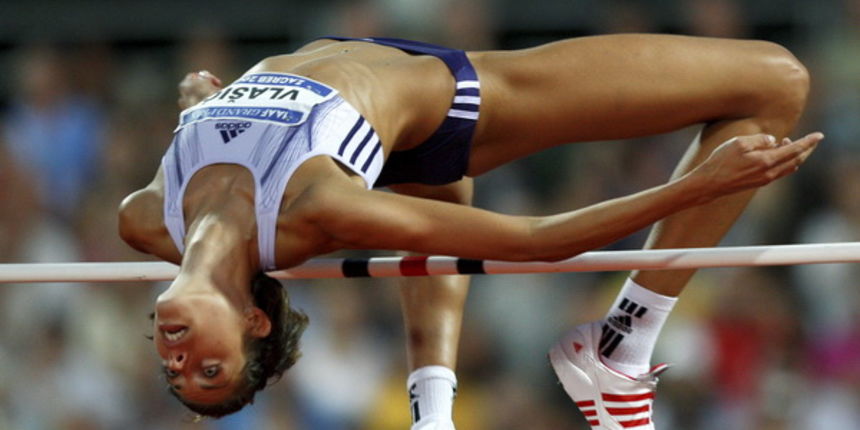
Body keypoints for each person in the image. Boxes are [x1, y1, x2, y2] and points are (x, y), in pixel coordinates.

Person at [118, 35, 820, 429]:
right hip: (449, 100)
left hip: (373, 76)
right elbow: (535, 241)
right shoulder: (309, 213)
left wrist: (204, 105)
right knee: (776, 81)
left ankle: (433, 418)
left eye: (174, 372)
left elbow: (213, 139)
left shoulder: (146, 218)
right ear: (253, 323)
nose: (179, 360)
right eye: (210, 371)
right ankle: (623, 345)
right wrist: (698, 185)